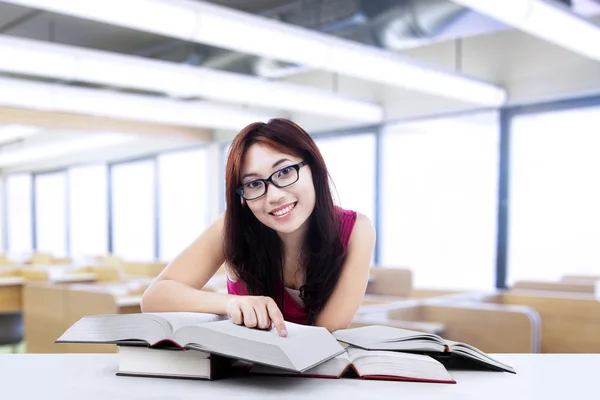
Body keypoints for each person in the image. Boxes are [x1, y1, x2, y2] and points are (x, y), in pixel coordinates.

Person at [141, 118, 376, 337]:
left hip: (313, 376)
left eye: (284, 172)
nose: (273, 196)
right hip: (242, 375)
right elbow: (154, 298)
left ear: (313, 168)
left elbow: (323, 335)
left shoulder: (357, 231)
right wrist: (231, 304)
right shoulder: (233, 225)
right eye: (254, 184)